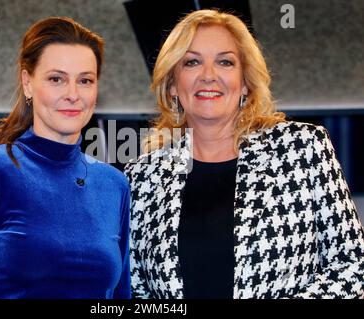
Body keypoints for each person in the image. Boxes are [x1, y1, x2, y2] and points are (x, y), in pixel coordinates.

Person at [124, 9, 364, 299]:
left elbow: (352, 266)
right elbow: (136, 291)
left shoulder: (303, 148)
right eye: (192, 62)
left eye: (225, 62)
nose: (208, 75)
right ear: (173, 85)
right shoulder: (141, 177)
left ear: (246, 81)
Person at [0, 17, 130, 299]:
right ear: (27, 83)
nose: (73, 94)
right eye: (56, 79)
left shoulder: (114, 184)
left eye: (85, 81)